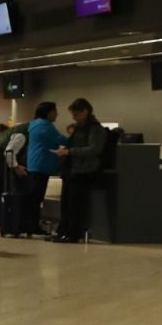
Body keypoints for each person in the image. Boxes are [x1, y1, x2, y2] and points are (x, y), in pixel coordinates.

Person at [51, 97, 108, 243]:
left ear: (85, 111)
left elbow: (94, 149)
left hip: (84, 171)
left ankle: (74, 233)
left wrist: (70, 152)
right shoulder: (80, 128)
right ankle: (64, 230)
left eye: (76, 114)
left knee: (77, 204)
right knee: (67, 203)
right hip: (72, 170)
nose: (74, 117)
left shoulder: (95, 128)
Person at [23, 101, 67, 236]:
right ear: (48, 113)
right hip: (41, 165)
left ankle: (30, 225)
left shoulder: (34, 124)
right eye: (55, 111)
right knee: (36, 198)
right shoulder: (46, 126)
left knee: (34, 197)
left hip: (34, 164)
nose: (57, 114)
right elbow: (62, 140)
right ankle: (33, 226)